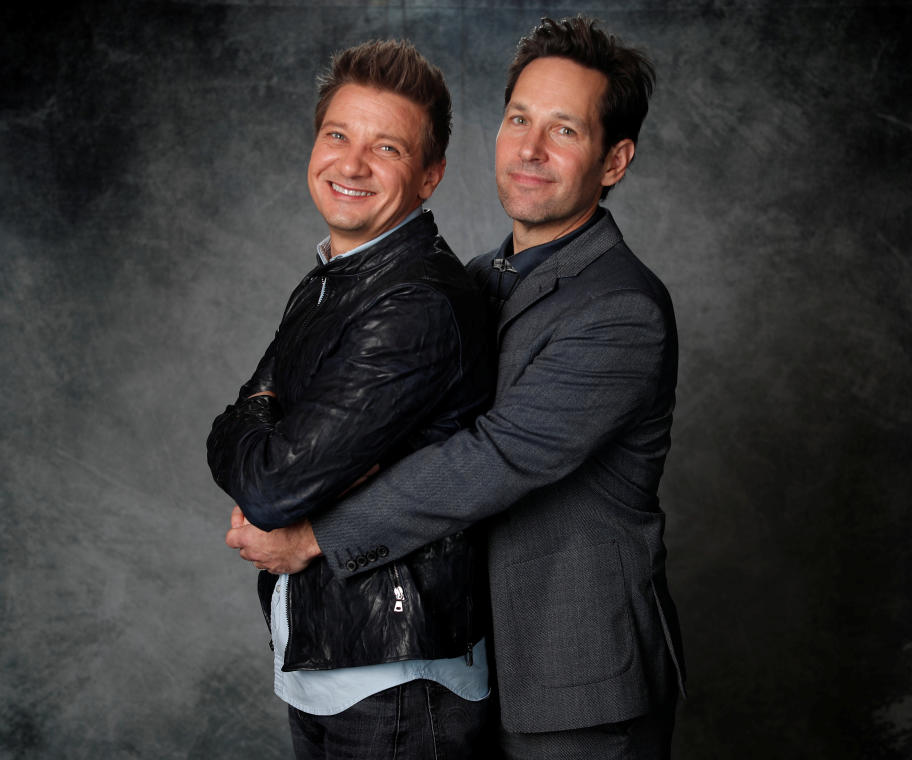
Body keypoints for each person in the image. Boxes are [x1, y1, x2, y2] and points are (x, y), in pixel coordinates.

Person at [226, 16, 686, 759]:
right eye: (518, 119)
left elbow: (491, 457)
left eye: (564, 130)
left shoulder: (621, 308)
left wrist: (314, 534)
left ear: (614, 160)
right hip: (466, 658)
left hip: (574, 680)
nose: (530, 150)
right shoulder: (468, 281)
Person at [207, 39, 494, 759]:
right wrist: (265, 426)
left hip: (396, 684)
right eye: (338, 134)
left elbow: (270, 486)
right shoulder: (332, 279)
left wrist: (266, 431)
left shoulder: (415, 303)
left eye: (387, 147)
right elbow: (246, 424)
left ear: (430, 176)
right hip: (333, 661)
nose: (352, 163)